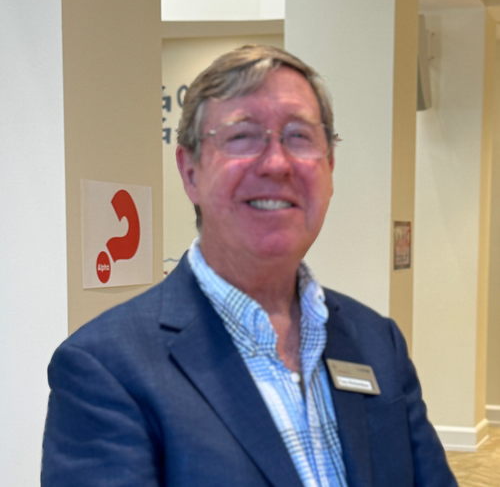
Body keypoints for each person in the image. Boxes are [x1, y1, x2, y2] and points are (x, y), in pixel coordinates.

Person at [42, 45, 457, 487]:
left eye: (300, 136)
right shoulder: (107, 369)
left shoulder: (377, 343)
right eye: (242, 136)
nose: (277, 163)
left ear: (330, 167)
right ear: (190, 172)